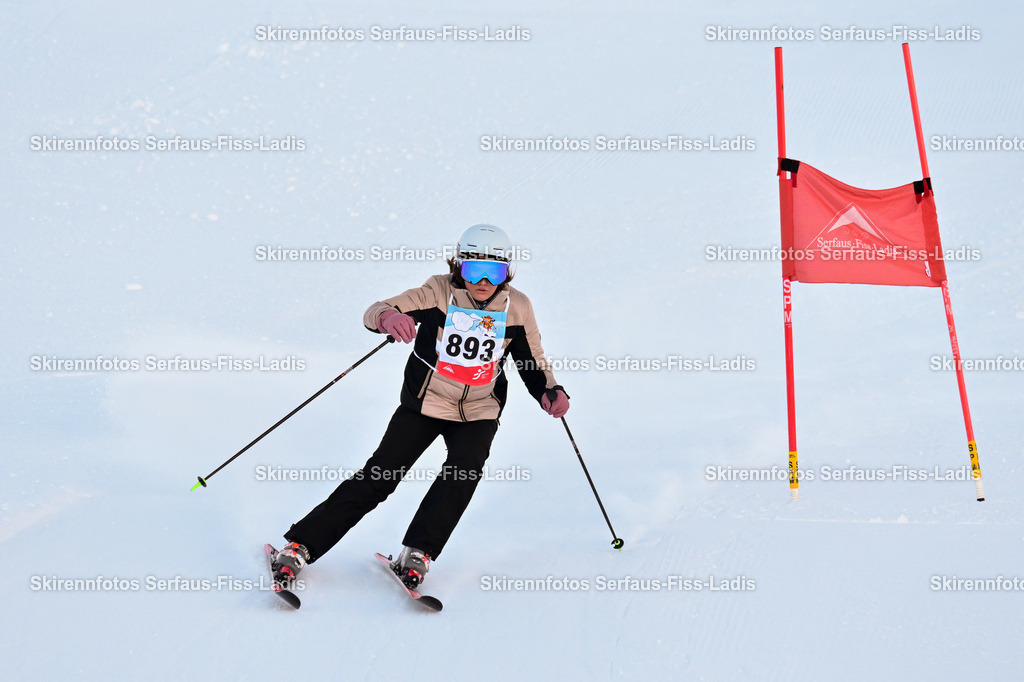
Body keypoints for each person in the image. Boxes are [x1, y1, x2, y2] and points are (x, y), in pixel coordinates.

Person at [271, 224, 570, 589]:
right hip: (425, 403)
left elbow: (531, 359)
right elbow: (378, 309)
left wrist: (549, 390)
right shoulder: (438, 291)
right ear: (458, 266)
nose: (482, 281)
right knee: (380, 476)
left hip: (480, 409)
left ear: (507, 272)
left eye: (493, 272)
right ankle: (300, 546)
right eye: (474, 270)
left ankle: (418, 553)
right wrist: (388, 318)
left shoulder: (518, 307)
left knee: (462, 475)